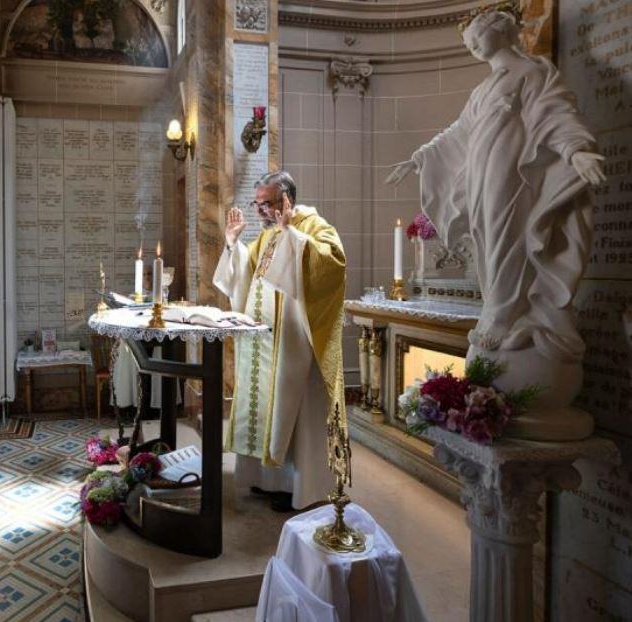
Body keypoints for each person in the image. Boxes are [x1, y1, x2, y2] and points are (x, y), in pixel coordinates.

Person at [385, 6, 605, 359]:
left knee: (508, 237)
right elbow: (458, 132)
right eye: (467, 40)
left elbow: (555, 113)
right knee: (488, 240)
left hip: (515, 174)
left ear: (500, 29)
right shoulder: (484, 88)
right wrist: (419, 158)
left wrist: (575, 150)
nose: (470, 43)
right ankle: (498, 304)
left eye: (476, 34)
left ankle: (504, 312)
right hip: (483, 177)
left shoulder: (531, 72)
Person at [213, 171, 346, 512]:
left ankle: (297, 488)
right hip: (263, 341)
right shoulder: (267, 236)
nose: (260, 212)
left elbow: (332, 264)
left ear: (287, 199)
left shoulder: (314, 226)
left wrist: (292, 233)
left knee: (293, 414)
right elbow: (246, 275)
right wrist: (233, 244)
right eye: (256, 204)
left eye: (266, 204)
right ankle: (266, 479)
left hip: (296, 344)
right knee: (263, 410)